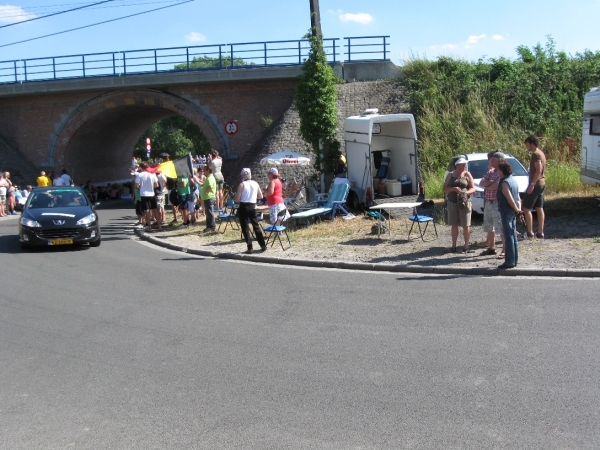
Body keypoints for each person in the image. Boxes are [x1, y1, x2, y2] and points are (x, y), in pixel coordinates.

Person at [443, 157, 476, 253]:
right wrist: (453, 189)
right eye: (462, 164)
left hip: (464, 203)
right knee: (454, 224)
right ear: (457, 165)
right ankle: (453, 245)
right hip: (452, 202)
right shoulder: (450, 175)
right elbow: (444, 189)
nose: (464, 166)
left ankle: (466, 246)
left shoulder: (467, 174)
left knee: (466, 225)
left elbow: (473, 188)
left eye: (465, 164)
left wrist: (465, 193)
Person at [478, 151, 505, 258]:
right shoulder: (491, 171)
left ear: (499, 160)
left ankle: (504, 249)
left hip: (497, 202)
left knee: (500, 226)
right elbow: (481, 183)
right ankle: (491, 247)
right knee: (489, 225)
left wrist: (489, 185)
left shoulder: (502, 172)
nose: (491, 162)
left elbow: (496, 186)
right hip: (488, 201)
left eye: (493, 160)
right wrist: (490, 183)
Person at [235, 168, 267, 254]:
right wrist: (252, 196)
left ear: (242, 175)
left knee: (245, 227)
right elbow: (260, 196)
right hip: (253, 205)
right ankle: (263, 245)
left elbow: (237, 199)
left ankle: (250, 247)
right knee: (256, 225)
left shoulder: (242, 185)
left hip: (244, 206)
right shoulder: (255, 183)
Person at [497, 160, 522, 269]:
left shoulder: (505, 182)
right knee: (513, 236)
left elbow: (510, 199)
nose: (497, 172)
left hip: (507, 211)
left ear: (502, 171)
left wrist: (517, 210)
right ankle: (514, 259)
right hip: (513, 211)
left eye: (498, 170)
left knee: (509, 237)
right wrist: (519, 210)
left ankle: (509, 262)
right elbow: (518, 198)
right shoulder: (513, 181)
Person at [522, 135, 547, 239]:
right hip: (541, 183)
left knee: (526, 208)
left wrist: (532, 184)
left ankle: (529, 232)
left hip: (536, 184)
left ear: (532, 144)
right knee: (539, 207)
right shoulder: (541, 153)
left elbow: (538, 170)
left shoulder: (536, 154)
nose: (526, 146)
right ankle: (540, 232)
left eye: (527, 144)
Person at [134, 162, 161, 232]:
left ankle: (149, 227)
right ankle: (159, 226)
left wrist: (141, 187)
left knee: (147, 210)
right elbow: (157, 185)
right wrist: (151, 187)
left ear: (141, 167)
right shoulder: (152, 174)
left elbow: (136, 186)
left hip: (144, 194)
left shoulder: (140, 175)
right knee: (155, 209)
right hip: (152, 194)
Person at [200, 165, 216, 232]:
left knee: (209, 212)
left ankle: (212, 227)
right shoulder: (209, 177)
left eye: (204, 170)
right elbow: (206, 184)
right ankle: (208, 226)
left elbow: (210, 186)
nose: (203, 172)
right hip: (208, 198)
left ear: (208, 171)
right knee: (208, 212)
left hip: (209, 198)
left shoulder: (209, 178)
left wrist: (206, 192)